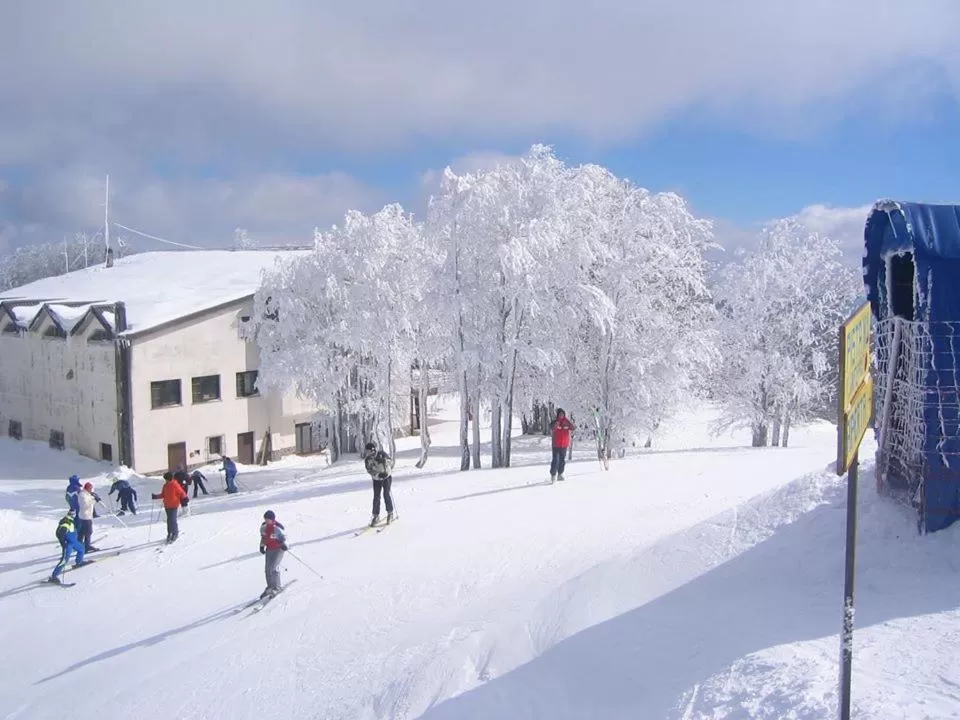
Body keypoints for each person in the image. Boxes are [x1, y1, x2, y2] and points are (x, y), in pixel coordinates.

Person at [362, 441, 396, 526]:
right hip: (377, 479)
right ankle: (376, 516)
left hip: (386, 477)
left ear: (373, 450)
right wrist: (378, 475)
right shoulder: (367, 460)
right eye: (366, 452)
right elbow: (369, 470)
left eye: (368, 451)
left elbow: (391, 463)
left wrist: (384, 462)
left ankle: (390, 513)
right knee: (376, 497)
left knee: (386, 494)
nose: (367, 453)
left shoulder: (381, 454)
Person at [49, 510, 89, 583]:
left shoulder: (71, 520)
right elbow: (59, 533)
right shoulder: (66, 522)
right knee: (64, 560)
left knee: (81, 548)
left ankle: (79, 562)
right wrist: (63, 543)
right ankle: (54, 577)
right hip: (68, 545)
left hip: (74, 542)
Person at [258, 510, 288, 598]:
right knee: (267, 569)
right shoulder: (263, 527)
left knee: (274, 567)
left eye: (268, 519)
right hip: (269, 549)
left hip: (278, 549)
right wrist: (261, 546)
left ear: (272, 519)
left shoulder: (277, 528)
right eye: (265, 519)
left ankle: (277, 587)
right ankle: (270, 587)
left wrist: (283, 544)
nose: (267, 521)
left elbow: (284, 538)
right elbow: (263, 538)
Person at [152, 474, 188, 543]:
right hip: (167, 505)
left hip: (174, 505)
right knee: (169, 520)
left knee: (172, 520)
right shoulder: (165, 486)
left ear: (169, 479)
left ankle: (175, 533)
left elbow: (181, 492)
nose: (165, 481)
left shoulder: (175, 485)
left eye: (166, 479)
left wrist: (185, 498)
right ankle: (170, 533)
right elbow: (163, 494)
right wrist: (156, 496)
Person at [549, 408, 576, 482]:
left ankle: (560, 474)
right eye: (560, 414)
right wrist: (556, 425)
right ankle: (553, 475)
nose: (561, 415)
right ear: (558, 415)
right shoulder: (555, 422)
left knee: (562, 460)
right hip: (556, 445)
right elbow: (551, 427)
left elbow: (573, 427)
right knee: (555, 460)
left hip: (564, 444)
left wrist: (571, 425)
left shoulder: (567, 421)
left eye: (562, 414)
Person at [77, 482, 101, 552]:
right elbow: (85, 505)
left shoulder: (86, 494)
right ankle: (86, 547)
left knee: (82, 532)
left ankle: (79, 546)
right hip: (85, 516)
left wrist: (95, 497)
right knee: (88, 532)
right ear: (87, 488)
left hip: (85, 516)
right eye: (90, 489)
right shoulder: (82, 495)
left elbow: (90, 498)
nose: (91, 490)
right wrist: (94, 500)